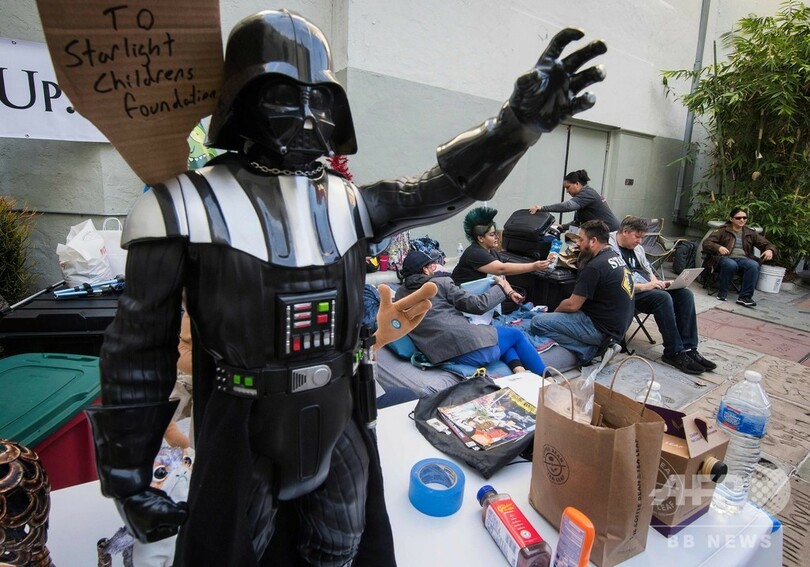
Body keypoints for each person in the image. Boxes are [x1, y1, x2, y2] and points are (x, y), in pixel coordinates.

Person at [84, 10, 606, 567]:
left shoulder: (349, 201)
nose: (308, 115)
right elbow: (139, 351)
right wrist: (127, 478)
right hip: (243, 423)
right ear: (241, 99)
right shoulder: (179, 208)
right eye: (284, 96)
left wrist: (514, 125)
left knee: (342, 549)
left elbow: (443, 189)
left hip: (338, 412)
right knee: (233, 553)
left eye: (321, 98)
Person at [397, 251, 547, 375]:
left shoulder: (399, 295)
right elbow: (478, 305)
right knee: (515, 335)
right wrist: (502, 287)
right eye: (431, 266)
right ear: (424, 270)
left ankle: (519, 371)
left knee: (500, 338)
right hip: (467, 347)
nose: (433, 269)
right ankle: (548, 378)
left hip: (439, 354)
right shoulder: (440, 283)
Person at [609, 216, 717, 374]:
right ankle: (674, 352)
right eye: (637, 237)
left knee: (684, 294)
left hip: (647, 288)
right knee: (662, 298)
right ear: (625, 232)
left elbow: (648, 270)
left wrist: (658, 283)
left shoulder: (637, 248)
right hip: (627, 292)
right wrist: (646, 286)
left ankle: (689, 349)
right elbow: (615, 282)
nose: (640, 241)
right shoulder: (609, 247)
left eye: (642, 238)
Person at [530, 220, 633, 364]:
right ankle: (599, 345)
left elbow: (572, 305)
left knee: (537, 323)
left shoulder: (594, 267)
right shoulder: (615, 257)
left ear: (593, 241)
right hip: (617, 328)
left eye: (581, 239)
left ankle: (589, 350)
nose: (578, 243)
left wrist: (556, 312)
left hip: (601, 330)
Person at [452, 206, 551, 285]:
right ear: (480, 238)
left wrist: (511, 293)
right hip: (462, 295)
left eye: (496, 233)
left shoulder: (492, 253)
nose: (497, 237)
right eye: (492, 235)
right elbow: (501, 269)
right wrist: (534, 266)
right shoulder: (475, 252)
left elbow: (501, 278)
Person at [702, 207, 776, 307]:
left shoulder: (750, 232)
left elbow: (768, 244)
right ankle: (722, 293)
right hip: (724, 258)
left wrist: (770, 250)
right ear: (731, 219)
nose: (742, 220)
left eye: (744, 218)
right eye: (738, 218)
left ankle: (745, 297)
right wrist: (718, 247)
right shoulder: (723, 230)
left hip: (743, 259)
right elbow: (707, 243)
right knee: (731, 264)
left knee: (753, 265)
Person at [529, 169, 620, 231]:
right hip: (601, 232)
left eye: (568, 187)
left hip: (610, 233)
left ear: (577, 184)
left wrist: (542, 208)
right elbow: (578, 223)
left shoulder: (588, 193)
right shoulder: (583, 197)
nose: (567, 191)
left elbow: (568, 206)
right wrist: (562, 227)